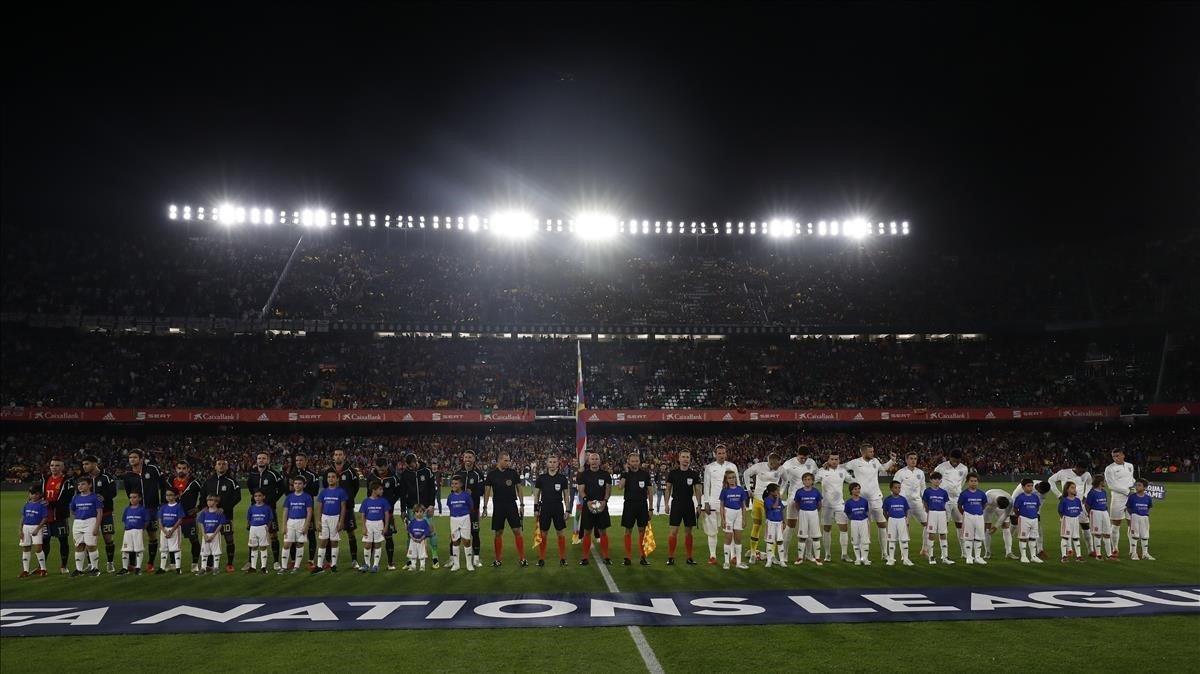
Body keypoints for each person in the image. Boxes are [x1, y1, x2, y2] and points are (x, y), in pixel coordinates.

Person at [843, 443, 898, 556]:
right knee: (863, 525)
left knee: (882, 524)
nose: (873, 453)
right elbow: (841, 467)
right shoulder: (854, 462)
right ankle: (862, 555)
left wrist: (892, 461)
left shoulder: (875, 461)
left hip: (876, 498)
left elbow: (883, 468)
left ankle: (884, 553)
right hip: (861, 500)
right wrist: (850, 480)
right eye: (870, 452)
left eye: (873, 451)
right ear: (863, 452)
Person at [122, 449, 165, 573]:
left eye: (135, 457)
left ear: (141, 458)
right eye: (130, 457)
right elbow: (129, 493)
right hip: (136, 511)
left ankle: (150, 563)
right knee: (132, 535)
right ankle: (132, 563)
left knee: (152, 535)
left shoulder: (152, 469)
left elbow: (162, 485)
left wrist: (162, 503)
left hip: (152, 509)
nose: (132, 460)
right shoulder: (128, 475)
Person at [482, 451, 527, 567]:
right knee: (498, 532)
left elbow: (519, 489)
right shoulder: (491, 475)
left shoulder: (513, 473)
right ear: (499, 460)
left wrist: (522, 505)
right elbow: (487, 491)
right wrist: (485, 507)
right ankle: (498, 559)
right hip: (498, 506)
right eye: (506, 460)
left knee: (517, 531)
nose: (508, 463)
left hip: (511, 505)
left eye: (509, 460)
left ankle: (522, 558)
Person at [200, 458, 241, 573]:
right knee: (209, 539)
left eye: (224, 464)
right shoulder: (208, 481)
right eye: (219, 464)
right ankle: (209, 564)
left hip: (226, 516)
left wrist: (225, 508)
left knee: (229, 538)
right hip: (210, 517)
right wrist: (203, 507)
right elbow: (202, 496)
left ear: (227, 467)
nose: (221, 466)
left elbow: (237, 497)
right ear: (215, 466)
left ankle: (229, 564)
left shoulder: (231, 481)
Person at [245, 451, 284, 571]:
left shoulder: (274, 474)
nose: (261, 460)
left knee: (273, 535)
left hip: (269, 508)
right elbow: (251, 488)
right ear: (256, 460)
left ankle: (276, 561)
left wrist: (273, 500)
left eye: (263, 458)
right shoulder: (252, 474)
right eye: (259, 458)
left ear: (268, 460)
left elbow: (282, 488)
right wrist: (256, 500)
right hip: (255, 509)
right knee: (253, 536)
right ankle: (251, 563)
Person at [743, 452, 785, 564]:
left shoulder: (781, 469)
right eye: (775, 465)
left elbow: (785, 480)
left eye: (778, 464)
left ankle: (772, 556)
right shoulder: (759, 466)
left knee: (773, 528)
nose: (777, 467)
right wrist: (748, 489)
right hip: (758, 500)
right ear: (770, 462)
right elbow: (746, 474)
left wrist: (780, 492)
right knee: (757, 525)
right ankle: (752, 553)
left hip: (772, 502)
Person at [702, 443, 739, 565]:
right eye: (719, 453)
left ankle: (733, 556)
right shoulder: (709, 467)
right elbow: (706, 485)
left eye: (723, 453)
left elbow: (737, 484)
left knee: (730, 530)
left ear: (726, 453)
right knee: (712, 530)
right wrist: (706, 502)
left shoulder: (732, 466)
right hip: (713, 502)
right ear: (715, 454)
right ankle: (712, 556)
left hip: (729, 502)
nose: (721, 455)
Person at [780, 445, 818, 563]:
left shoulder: (811, 463)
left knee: (810, 527)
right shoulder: (788, 464)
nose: (803, 460)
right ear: (797, 454)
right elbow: (782, 478)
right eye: (801, 458)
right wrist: (780, 493)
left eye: (805, 458)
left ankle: (808, 554)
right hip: (793, 498)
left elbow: (815, 477)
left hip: (809, 499)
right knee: (790, 526)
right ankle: (784, 554)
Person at [401, 453, 440, 568]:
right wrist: (403, 510)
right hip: (412, 509)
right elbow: (402, 494)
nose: (411, 467)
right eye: (409, 465)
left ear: (416, 460)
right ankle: (409, 559)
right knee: (410, 534)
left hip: (425, 507)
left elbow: (433, 489)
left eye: (412, 464)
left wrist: (432, 505)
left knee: (431, 531)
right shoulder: (405, 474)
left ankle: (435, 557)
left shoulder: (427, 471)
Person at [1047, 461, 1094, 556]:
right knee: (1067, 529)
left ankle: (1091, 550)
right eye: (1080, 471)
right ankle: (1069, 549)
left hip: (1080, 504)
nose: (1082, 474)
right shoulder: (1063, 472)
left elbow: (1090, 484)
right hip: (1067, 504)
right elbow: (1050, 480)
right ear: (1076, 467)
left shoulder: (1086, 474)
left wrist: (1085, 495)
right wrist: (1059, 495)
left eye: (1084, 471)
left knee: (1086, 527)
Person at [81, 455, 118, 573]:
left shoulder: (106, 477)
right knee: (89, 540)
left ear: (94, 463)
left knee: (108, 538)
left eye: (86, 464)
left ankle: (110, 563)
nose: (84, 466)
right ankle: (91, 564)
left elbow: (113, 492)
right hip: (90, 515)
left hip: (106, 512)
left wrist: (103, 497)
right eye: (83, 464)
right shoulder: (84, 478)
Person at [665, 450, 702, 566]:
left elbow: (698, 490)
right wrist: (666, 504)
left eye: (688, 457)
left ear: (690, 459)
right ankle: (671, 557)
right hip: (676, 504)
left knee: (689, 533)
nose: (686, 459)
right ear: (679, 459)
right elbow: (668, 489)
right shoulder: (673, 473)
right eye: (683, 457)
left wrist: (699, 504)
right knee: (673, 532)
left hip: (689, 505)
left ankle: (689, 557)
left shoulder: (694, 474)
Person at [533, 455, 570, 567]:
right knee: (543, 534)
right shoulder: (541, 478)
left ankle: (563, 558)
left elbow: (566, 495)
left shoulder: (562, 478)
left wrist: (567, 510)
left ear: (558, 463)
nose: (552, 464)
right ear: (547, 463)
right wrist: (536, 508)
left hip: (558, 508)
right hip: (545, 508)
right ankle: (541, 558)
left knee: (560, 533)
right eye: (550, 462)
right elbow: (536, 494)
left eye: (554, 462)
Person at [39, 459, 75, 574]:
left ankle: (64, 566)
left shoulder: (67, 481)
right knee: (45, 541)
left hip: (60, 516)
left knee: (63, 540)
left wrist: (50, 503)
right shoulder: (45, 479)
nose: (54, 467)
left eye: (57, 465)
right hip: (46, 516)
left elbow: (67, 498)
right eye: (52, 465)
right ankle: (43, 567)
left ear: (62, 467)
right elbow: (40, 494)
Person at [576, 451, 612, 565]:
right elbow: (581, 490)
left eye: (597, 459)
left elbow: (608, 490)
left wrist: (604, 502)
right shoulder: (584, 475)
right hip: (588, 506)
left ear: (599, 461)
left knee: (603, 532)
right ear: (589, 461)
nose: (595, 461)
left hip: (602, 506)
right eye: (592, 459)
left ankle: (606, 556)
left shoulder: (605, 475)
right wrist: (587, 502)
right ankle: (585, 557)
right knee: (587, 532)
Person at [933, 449, 970, 559]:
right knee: (944, 527)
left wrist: (957, 491)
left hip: (957, 499)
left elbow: (963, 482)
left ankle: (964, 553)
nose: (956, 463)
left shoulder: (964, 468)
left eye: (958, 461)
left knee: (961, 525)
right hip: (945, 500)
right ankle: (944, 555)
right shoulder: (941, 467)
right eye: (954, 460)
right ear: (950, 458)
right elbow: (935, 480)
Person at [814, 453, 851, 562]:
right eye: (832, 459)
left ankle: (844, 554)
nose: (834, 461)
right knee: (827, 529)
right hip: (826, 506)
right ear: (828, 460)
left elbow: (852, 480)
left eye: (836, 459)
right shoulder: (822, 471)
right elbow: (812, 480)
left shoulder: (842, 471)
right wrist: (820, 467)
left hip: (840, 505)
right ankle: (827, 554)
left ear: (839, 460)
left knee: (844, 528)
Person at [454, 450, 487, 567]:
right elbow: (454, 489)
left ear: (474, 459)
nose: (468, 459)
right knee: (455, 533)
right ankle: (453, 559)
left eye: (470, 457)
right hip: (459, 509)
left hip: (473, 509)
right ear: (463, 458)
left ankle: (476, 558)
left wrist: (472, 492)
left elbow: (482, 490)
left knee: (475, 533)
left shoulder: (478, 474)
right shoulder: (458, 473)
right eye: (466, 457)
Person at [620, 453, 654, 566]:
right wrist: (625, 473)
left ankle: (643, 557)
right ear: (629, 462)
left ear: (639, 462)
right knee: (628, 531)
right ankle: (627, 557)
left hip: (642, 505)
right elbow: (620, 487)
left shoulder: (645, 474)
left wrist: (651, 508)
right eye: (632, 461)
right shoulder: (625, 474)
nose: (635, 463)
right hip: (629, 505)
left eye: (636, 461)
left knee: (642, 531)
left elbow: (650, 492)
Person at [893, 452, 929, 558]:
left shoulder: (920, 473)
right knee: (905, 527)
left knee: (928, 524)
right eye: (911, 458)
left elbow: (923, 487)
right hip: (904, 503)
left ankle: (924, 549)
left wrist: (926, 500)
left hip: (917, 502)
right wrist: (897, 501)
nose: (913, 460)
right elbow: (894, 487)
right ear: (906, 460)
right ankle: (904, 554)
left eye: (915, 458)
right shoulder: (900, 473)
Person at [170, 461, 203, 573]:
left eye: (184, 468)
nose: (181, 470)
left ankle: (194, 564)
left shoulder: (195, 482)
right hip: (173, 517)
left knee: (193, 540)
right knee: (171, 540)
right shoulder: (170, 481)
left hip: (188, 518)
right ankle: (173, 563)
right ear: (176, 469)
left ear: (188, 469)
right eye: (179, 468)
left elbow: (205, 495)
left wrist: (198, 508)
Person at [330, 448, 361, 569]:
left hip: (347, 507)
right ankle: (331, 560)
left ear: (344, 456)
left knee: (351, 533)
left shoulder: (351, 471)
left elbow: (356, 487)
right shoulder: (329, 471)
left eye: (340, 455)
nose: (338, 456)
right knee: (331, 535)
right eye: (336, 454)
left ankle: (354, 560)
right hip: (332, 508)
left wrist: (349, 498)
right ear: (333, 457)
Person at [313, 470, 348, 573]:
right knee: (323, 541)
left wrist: (341, 521)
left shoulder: (341, 492)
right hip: (324, 518)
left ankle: (334, 565)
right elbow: (319, 507)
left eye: (333, 477)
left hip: (335, 518)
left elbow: (343, 507)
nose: (331, 479)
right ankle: (319, 566)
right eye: (329, 477)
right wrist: (318, 521)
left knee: (334, 541)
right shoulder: (323, 491)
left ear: (337, 479)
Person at [370, 458, 402, 570]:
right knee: (373, 538)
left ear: (387, 466)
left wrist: (390, 503)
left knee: (388, 537)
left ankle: (390, 562)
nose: (380, 471)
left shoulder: (394, 478)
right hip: (374, 513)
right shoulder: (372, 477)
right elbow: (369, 494)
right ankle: (371, 562)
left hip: (388, 513)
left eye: (382, 469)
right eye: (378, 469)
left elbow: (398, 493)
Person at [69, 476, 104, 577]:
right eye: (79, 484)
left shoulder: (95, 497)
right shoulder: (75, 497)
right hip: (78, 522)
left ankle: (95, 568)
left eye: (83, 484)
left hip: (91, 521)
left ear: (90, 485)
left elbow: (99, 513)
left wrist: (97, 527)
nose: (80, 486)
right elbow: (72, 510)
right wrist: (80, 516)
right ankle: (79, 570)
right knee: (79, 545)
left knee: (91, 545)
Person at [1104, 449, 1136, 559]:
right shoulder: (1109, 469)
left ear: (1123, 455)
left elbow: (1131, 479)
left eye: (1118, 455)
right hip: (1118, 498)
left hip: (1131, 498)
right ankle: (1115, 548)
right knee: (1116, 524)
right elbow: (1111, 485)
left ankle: (1133, 550)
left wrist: (1136, 487)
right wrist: (1127, 491)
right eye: (1114, 456)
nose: (1116, 458)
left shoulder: (1130, 466)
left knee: (1132, 523)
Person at [293, 452, 321, 568]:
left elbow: (314, 492)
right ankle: (294, 560)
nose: (298, 462)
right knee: (293, 535)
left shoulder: (312, 475)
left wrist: (302, 489)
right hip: (294, 510)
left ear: (306, 461)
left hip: (307, 509)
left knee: (310, 534)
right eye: (297, 460)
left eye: (301, 460)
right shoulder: (291, 474)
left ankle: (310, 560)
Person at [281, 476, 314, 574]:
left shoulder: (307, 497)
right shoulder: (289, 497)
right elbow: (285, 512)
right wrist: (284, 525)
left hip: (302, 522)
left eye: (299, 483)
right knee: (287, 544)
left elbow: (309, 512)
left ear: (304, 485)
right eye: (295, 483)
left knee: (300, 544)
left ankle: (296, 566)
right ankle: (283, 567)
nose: (297, 485)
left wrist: (306, 526)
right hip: (290, 522)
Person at [921, 472, 955, 565]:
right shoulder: (927, 491)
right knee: (931, 534)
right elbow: (925, 502)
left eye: (938, 479)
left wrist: (946, 515)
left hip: (942, 514)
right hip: (932, 513)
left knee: (943, 534)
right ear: (931, 480)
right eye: (934, 479)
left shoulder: (943, 492)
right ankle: (931, 557)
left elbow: (946, 504)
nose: (936, 481)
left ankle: (945, 557)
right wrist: (929, 511)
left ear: (941, 481)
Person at [718, 470, 749, 570]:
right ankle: (726, 562)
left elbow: (744, 506)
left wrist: (744, 519)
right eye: (730, 478)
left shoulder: (740, 490)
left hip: (738, 514)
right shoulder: (724, 491)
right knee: (728, 537)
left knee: (738, 539)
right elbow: (721, 506)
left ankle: (739, 562)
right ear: (726, 480)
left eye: (733, 477)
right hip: (728, 514)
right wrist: (722, 519)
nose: (732, 479)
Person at [358, 480, 391, 573]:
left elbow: (387, 515)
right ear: (374, 490)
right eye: (380, 489)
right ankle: (367, 564)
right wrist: (363, 527)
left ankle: (375, 565)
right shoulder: (366, 501)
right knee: (367, 545)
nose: (382, 491)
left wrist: (385, 526)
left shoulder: (383, 501)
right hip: (369, 524)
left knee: (377, 544)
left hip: (379, 524)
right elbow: (363, 515)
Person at [791, 473, 823, 565]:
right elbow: (797, 504)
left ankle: (817, 558)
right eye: (805, 479)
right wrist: (801, 511)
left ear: (812, 481)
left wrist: (815, 511)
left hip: (814, 513)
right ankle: (800, 557)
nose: (807, 481)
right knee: (802, 536)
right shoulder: (799, 492)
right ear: (803, 481)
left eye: (809, 479)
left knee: (816, 536)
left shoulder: (816, 491)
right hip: (803, 513)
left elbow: (819, 504)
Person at [956, 474, 988, 565]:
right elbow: (959, 506)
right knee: (968, 537)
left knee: (979, 537)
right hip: (968, 516)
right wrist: (965, 513)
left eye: (975, 481)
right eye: (971, 481)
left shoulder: (981, 493)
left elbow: (984, 504)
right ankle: (969, 556)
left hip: (979, 517)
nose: (973, 483)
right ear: (968, 482)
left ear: (978, 482)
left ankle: (978, 557)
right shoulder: (964, 494)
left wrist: (979, 510)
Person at [17, 486, 49, 577]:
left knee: (38, 548)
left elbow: (44, 518)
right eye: (32, 494)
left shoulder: (42, 505)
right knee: (26, 548)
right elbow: (23, 517)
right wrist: (20, 530)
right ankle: (25, 570)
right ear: (29, 494)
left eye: (36, 494)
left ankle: (43, 569)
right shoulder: (26, 504)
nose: (33, 496)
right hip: (26, 527)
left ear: (40, 495)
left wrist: (38, 529)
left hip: (36, 527)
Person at [446, 476, 476, 571]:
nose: (453, 485)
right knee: (455, 541)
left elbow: (471, 506)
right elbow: (450, 507)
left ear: (461, 485)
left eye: (456, 483)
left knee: (466, 541)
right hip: (454, 519)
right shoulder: (450, 496)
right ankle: (456, 564)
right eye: (452, 483)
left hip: (465, 518)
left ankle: (469, 564)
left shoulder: (466, 496)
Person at [882, 480, 914, 566]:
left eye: (899, 488)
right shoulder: (887, 500)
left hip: (901, 520)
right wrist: (889, 519)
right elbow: (884, 511)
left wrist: (904, 518)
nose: (898, 489)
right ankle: (891, 559)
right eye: (895, 488)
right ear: (891, 489)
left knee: (904, 540)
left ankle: (906, 559)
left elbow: (906, 511)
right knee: (892, 540)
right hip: (892, 520)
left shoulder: (903, 499)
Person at [118, 491, 149, 575]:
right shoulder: (127, 509)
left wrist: (142, 529)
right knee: (125, 550)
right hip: (128, 531)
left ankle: (138, 568)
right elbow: (125, 520)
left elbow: (146, 521)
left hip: (138, 530)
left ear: (139, 498)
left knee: (139, 549)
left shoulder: (143, 509)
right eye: (130, 497)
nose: (132, 499)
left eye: (134, 497)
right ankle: (125, 568)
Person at [1012, 479, 1043, 564]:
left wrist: (1034, 514)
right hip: (1024, 519)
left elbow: (1037, 507)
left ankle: (1033, 556)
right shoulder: (1020, 497)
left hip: (1034, 519)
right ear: (1023, 487)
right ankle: (1024, 556)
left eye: (1031, 486)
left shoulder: (1035, 497)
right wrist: (1020, 516)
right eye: (1028, 486)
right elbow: (1015, 508)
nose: (1030, 488)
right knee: (1023, 538)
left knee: (1033, 537)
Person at [246, 489, 275, 573]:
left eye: (259, 496)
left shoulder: (267, 508)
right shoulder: (251, 508)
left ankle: (263, 567)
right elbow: (249, 518)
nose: (257, 498)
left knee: (263, 547)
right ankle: (253, 567)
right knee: (253, 547)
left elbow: (270, 519)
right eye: (255, 496)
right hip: (253, 528)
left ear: (263, 497)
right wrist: (251, 526)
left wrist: (267, 527)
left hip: (263, 528)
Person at [197, 495, 227, 576]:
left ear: (216, 502)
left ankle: (216, 568)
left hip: (215, 535)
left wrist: (213, 535)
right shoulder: (204, 512)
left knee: (216, 551)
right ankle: (203, 568)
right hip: (206, 535)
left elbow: (220, 525)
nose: (209, 502)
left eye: (211, 500)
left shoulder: (219, 513)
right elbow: (201, 524)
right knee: (204, 552)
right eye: (208, 500)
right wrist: (204, 535)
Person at [157, 487, 185, 574]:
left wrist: (172, 530)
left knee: (176, 548)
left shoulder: (178, 506)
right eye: (167, 495)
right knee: (163, 549)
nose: (168, 497)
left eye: (170, 495)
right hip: (164, 530)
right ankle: (162, 568)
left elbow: (180, 519)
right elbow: (160, 520)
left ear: (176, 496)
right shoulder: (163, 507)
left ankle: (178, 568)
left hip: (175, 529)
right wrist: (164, 530)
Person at [983, 487, 1016, 560]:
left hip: (1000, 503)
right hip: (988, 506)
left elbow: (1005, 514)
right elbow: (981, 509)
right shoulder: (988, 497)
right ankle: (987, 552)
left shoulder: (1010, 500)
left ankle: (1009, 552)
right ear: (997, 504)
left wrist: (995, 527)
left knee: (1006, 526)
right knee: (987, 528)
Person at [1085, 475, 1113, 559]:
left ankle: (1109, 555)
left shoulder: (1104, 492)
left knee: (1107, 533)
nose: (1105, 482)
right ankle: (1098, 555)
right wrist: (1090, 514)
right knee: (1097, 534)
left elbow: (1105, 503)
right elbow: (1087, 505)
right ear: (1100, 482)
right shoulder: (1092, 492)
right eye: (1104, 481)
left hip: (1104, 513)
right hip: (1095, 512)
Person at [1127, 479, 1155, 561]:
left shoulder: (1148, 498)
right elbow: (1128, 507)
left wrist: (1144, 513)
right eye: (1136, 485)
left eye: (1139, 485)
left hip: (1145, 517)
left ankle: (1145, 554)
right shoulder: (1132, 497)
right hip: (1135, 516)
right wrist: (1133, 514)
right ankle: (1134, 553)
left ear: (1145, 487)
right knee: (1135, 535)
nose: (1137, 487)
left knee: (1145, 535)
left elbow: (1149, 507)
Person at [843, 483, 871, 565]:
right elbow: (847, 513)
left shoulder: (864, 501)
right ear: (851, 491)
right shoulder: (848, 503)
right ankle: (858, 559)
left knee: (865, 541)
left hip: (863, 521)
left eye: (858, 488)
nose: (857, 490)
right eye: (855, 489)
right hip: (854, 522)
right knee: (855, 541)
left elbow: (866, 511)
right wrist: (852, 518)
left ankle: (865, 559)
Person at [1057, 481, 1084, 563]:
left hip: (1075, 519)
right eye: (1072, 487)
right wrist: (1064, 518)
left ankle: (1079, 556)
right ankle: (1064, 556)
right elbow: (1060, 511)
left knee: (1076, 537)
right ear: (1067, 489)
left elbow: (1080, 510)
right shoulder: (1064, 500)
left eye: (1075, 487)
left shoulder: (1077, 500)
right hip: (1067, 519)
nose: (1074, 489)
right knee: (1065, 537)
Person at [761, 483, 786, 568]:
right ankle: (769, 561)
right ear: (772, 492)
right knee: (770, 541)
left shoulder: (778, 500)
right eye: (777, 490)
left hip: (779, 523)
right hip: (771, 523)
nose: (778, 492)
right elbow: (774, 507)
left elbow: (781, 510)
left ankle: (782, 561)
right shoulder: (767, 500)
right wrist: (778, 498)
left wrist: (784, 521)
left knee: (780, 541)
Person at [406, 503, 432, 571]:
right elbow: (410, 531)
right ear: (414, 513)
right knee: (413, 553)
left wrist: (421, 538)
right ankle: (413, 565)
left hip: (421, 540)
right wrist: (413, 538)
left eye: (421, 511)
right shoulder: (412, 522)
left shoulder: (425, 522)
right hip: (413, 540)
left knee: (422, 553)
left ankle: (422, 566)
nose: (419, 513)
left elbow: (426, 532)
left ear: (423, 512)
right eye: (417, 512)